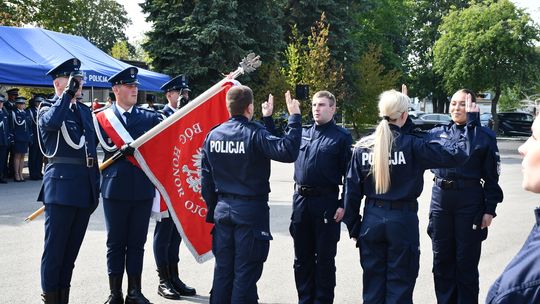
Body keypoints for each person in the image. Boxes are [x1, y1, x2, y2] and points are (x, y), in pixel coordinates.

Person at [343, 89, 479, 304]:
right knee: (400, 286)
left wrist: (354, 226)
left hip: (371, 220)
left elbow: (350, 192)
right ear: (404, 116)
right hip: (402, 221)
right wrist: (471, 124)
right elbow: (458, 155)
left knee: (373, 286)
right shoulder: (414, 145)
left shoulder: (362, 147)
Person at [201, 86, 302, 304]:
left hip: (223, 209)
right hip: (249, 212)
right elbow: (288, 150)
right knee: (245, 275)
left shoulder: (213, 135)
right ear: (250, 107)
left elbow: (206, 182)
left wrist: (215, 207)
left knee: (223, 272)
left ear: (228, 107)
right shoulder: (254, 133)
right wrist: (294, 117)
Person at [265, 90, 352, 303]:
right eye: (314, 105)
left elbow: (350, 175)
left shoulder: (341, 137)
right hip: (301, 202)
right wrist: (267, 118)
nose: (316, 109)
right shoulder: (302, 133)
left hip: (326, 203)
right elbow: (278, 143)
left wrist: (344, 204)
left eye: (322, 105)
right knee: (301, 259)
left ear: (333, 108)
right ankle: (305, 299)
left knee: (324, 260)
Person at [426, 89, 503, 304]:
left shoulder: (483, 136)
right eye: (453, 103)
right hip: (441, 201)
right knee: (442, 261)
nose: (456, 108)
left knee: (465, 263)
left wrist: (490, 208)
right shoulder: (437, 133)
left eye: (462, 104)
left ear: (472, 107)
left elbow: (492, 176)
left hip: (469, 201)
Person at [95, 67, 161, 304]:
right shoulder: (101, 118)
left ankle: (135, 291)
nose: (135, 89)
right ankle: (115, 293)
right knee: (115, 243)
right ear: (116, 90)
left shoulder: (149, 118)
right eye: (129, 86)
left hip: (142, 189)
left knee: (136, 242)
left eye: (135, 86)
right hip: (115, 189)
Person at [37, 58, 100, 303]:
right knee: (55, 252)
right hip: (61, 189)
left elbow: (91, 151)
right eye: (74, 80)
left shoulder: (84, 111)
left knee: (70, 253)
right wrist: (67, 96)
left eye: (80, 80)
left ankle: (64, 297)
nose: (79, 84)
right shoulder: (46, 108)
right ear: (58, 83)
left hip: (84, 189)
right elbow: (52, 124)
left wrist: (96, 185)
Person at [485, 112, 540, 303]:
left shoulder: (521, 288)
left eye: (534, 137)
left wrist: (488, 208)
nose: (522, 148)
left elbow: (490, 176)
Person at [151, 74, 196, 300]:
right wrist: (181, 113)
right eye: (181, 93)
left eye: (187, 93)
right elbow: (165, 138)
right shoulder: (161, 115)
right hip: (166, 180)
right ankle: (163, 279)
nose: (185, 97)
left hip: (182, 181)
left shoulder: (187, 114)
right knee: (165, 231)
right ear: (170, 95)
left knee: (177, 232)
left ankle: (174, 276)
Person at [11, 96, 32, 182]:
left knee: (23, 156)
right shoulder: (14, 113)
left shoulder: (25, 113)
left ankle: (20, 173)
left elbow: (29, 126)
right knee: (17, 156)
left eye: (24, 103)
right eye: (22, 103)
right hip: (18, 138)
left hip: (25, 137)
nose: (24, 105)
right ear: (18, 105)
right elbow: (12, 126)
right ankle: (16, 174)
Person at [27, 94, 45, 180]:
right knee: (33, 156)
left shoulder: (42, 111)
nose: (39, 103)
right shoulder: (30, 111)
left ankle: (38, 172)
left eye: (40, 102)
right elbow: (29, 125)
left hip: (41, 137)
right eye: (38, 102)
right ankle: (33, 173)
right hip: (34, 136)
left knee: (39, 156)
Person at [0, 94, 13, 184]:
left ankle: (1, 176)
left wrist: (8, 138)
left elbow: (7, 127)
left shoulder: (4, 112)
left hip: (4, 140)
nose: (1, 104)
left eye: (1, 102)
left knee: (2, 160)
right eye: (0, 102)